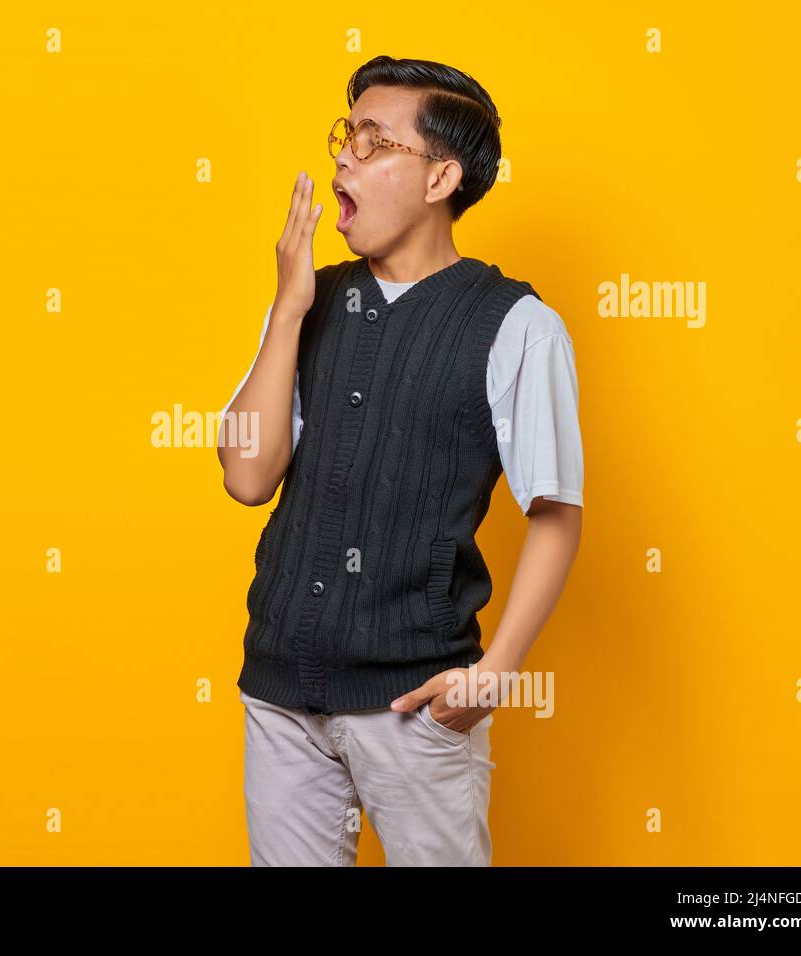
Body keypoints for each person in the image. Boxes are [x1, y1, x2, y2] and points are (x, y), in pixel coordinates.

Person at [216, 56, 583, 866]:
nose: (345, 156)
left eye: (376, 143)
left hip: (414, 704)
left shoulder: (516, 325)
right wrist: (286, 306)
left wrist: (494, 673)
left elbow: (556, 515)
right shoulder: (309, 304)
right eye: (347, 136)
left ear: (440, 177)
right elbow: (247, 475)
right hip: (278, 692)